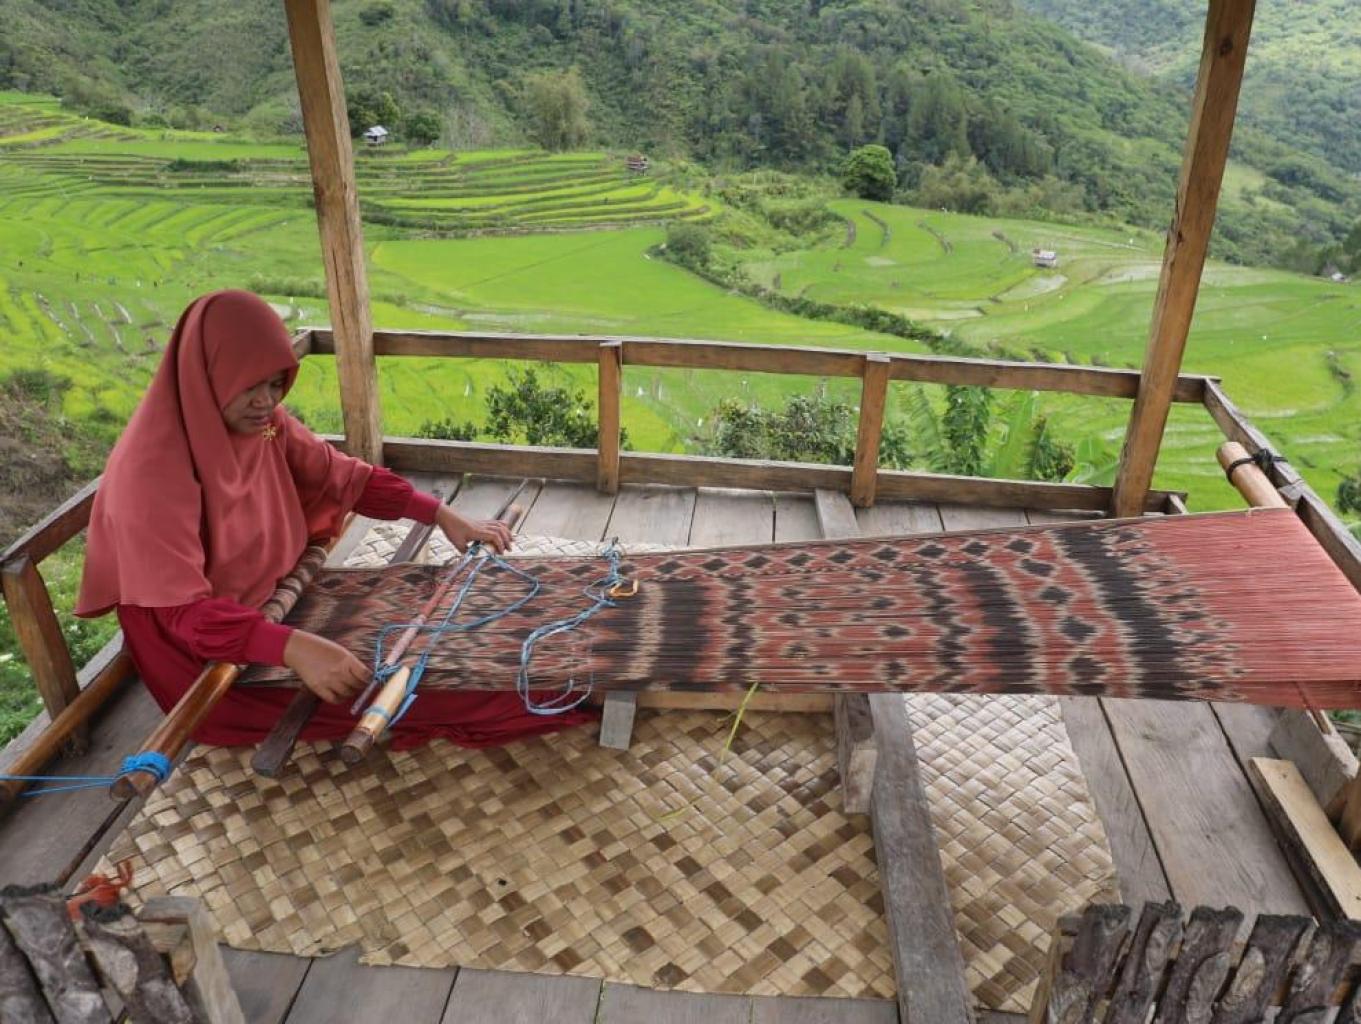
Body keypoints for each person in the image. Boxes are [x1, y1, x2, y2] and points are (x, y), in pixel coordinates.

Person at [75, 290, 595, 749]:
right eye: (250, 385)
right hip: (200, 660)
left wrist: (440, 514)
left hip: (275, 599)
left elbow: (341, 476)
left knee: (442, 644)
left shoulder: (263, 424)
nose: (267, 401)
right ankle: (572, 688)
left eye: (277, 383)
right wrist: (292, 648)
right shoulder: (152, 476)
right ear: (207, 373)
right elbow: (182, 616)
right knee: (439, 689)